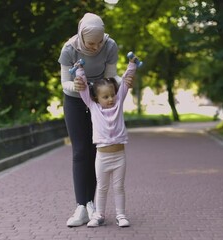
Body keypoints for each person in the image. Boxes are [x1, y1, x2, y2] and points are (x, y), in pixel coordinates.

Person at [58, 13, 134, 227]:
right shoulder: (69, 49)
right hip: (74, 100)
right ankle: (80, 206)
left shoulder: (110, 46)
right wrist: (76, 86)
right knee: (80, 151)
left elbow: (111, 76)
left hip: (100, 101)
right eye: (91, 43)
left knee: (96, 150)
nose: (96, 46)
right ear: (82, 36)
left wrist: (124, 80)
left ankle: (91, 204)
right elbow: (64, 82)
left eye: (99, 41)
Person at [75, 54, 139, 228]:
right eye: (105, 97)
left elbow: (126, 82)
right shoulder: (93, 106)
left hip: (119, 156)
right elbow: (83, 91)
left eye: (112, 95)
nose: (110, 99)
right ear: (96, 98)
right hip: (102, 157)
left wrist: (132, 65)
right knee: (102, 188)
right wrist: (80, 70)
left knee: (119, 187)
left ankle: (121, 215)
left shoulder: (118, 103)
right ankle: (98, 215)